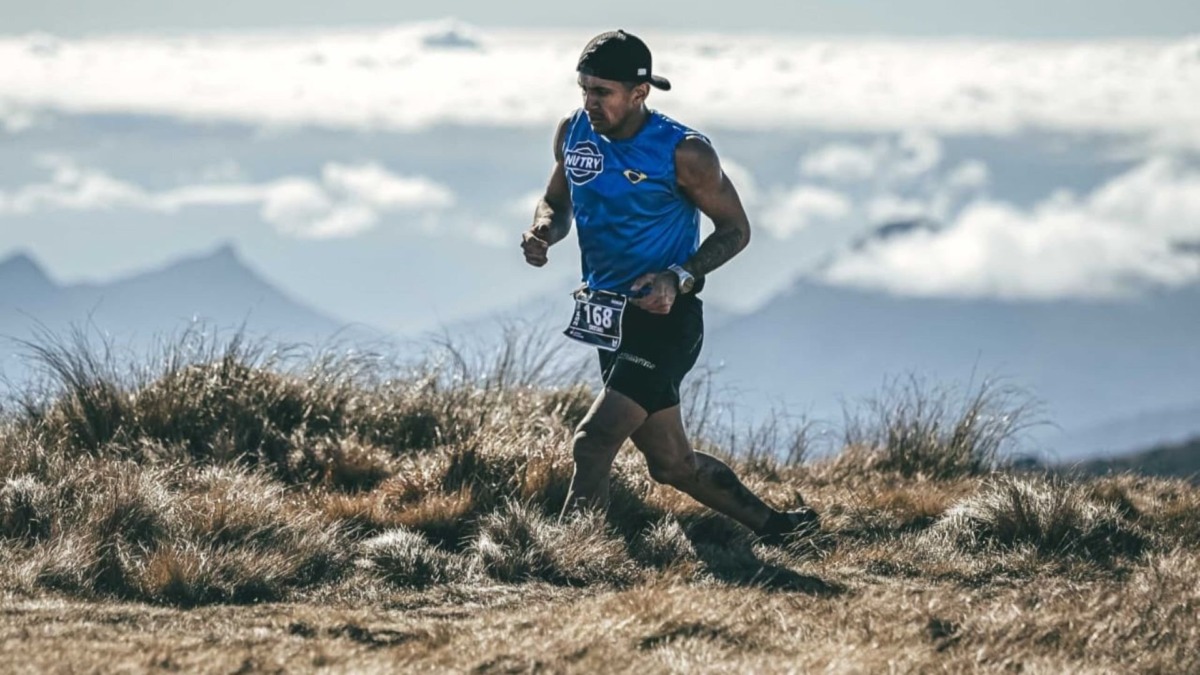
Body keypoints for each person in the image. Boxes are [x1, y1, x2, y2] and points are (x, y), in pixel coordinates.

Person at [520, 29, 818, 544]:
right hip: (609, 317)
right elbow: (558, 200)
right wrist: (544, 229)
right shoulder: (573, 133)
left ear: (640, 93)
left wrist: (677, 278)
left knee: (593, 441)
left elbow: (736, 230)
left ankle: (572, 558)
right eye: (584, 89)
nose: (589, 103)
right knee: (671, 464)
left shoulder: (685, 151)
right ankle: (783, 530)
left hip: (665, 320)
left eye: (602, 92)